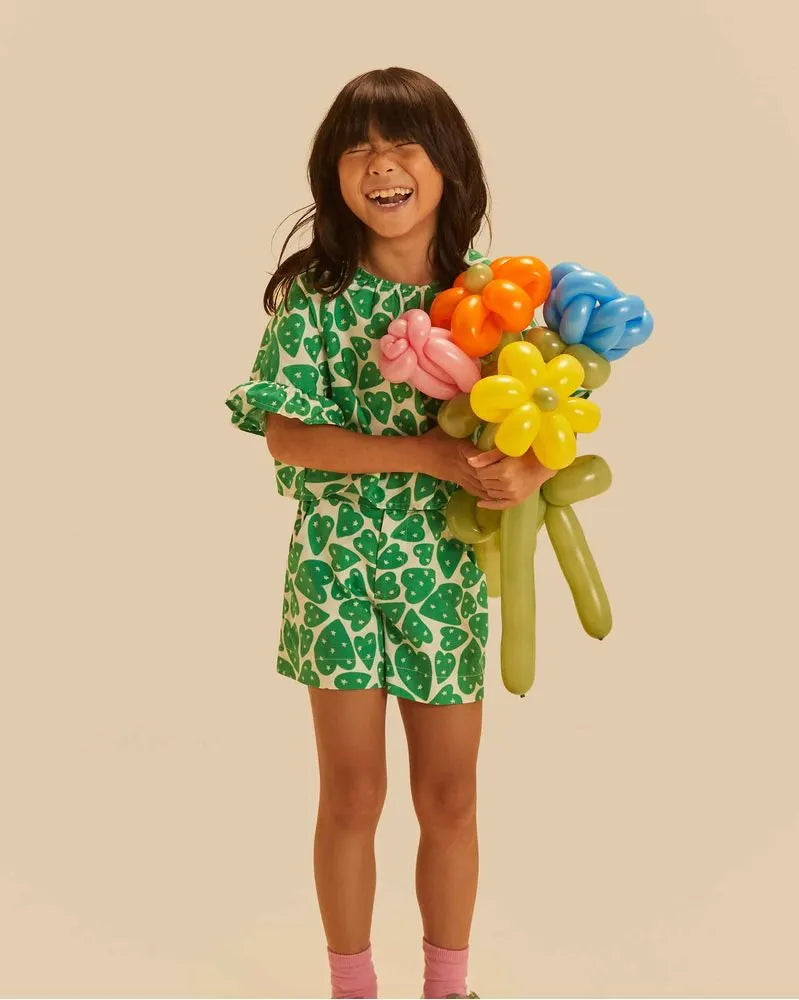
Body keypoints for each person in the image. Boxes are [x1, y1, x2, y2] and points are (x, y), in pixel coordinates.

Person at [225, 67, 554, 1000]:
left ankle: (448, 988)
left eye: (403, 145)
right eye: (357, 149)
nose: (380, 166)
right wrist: (427, 456)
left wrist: (526, 472)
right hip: (334, 569)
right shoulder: (314, 296)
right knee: (352, 793)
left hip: (443, 571)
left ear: (448, 165)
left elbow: (541, 425)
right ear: (331, 174)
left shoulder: (489, 301)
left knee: (449, 795)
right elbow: (288, 435)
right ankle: (352, 988)